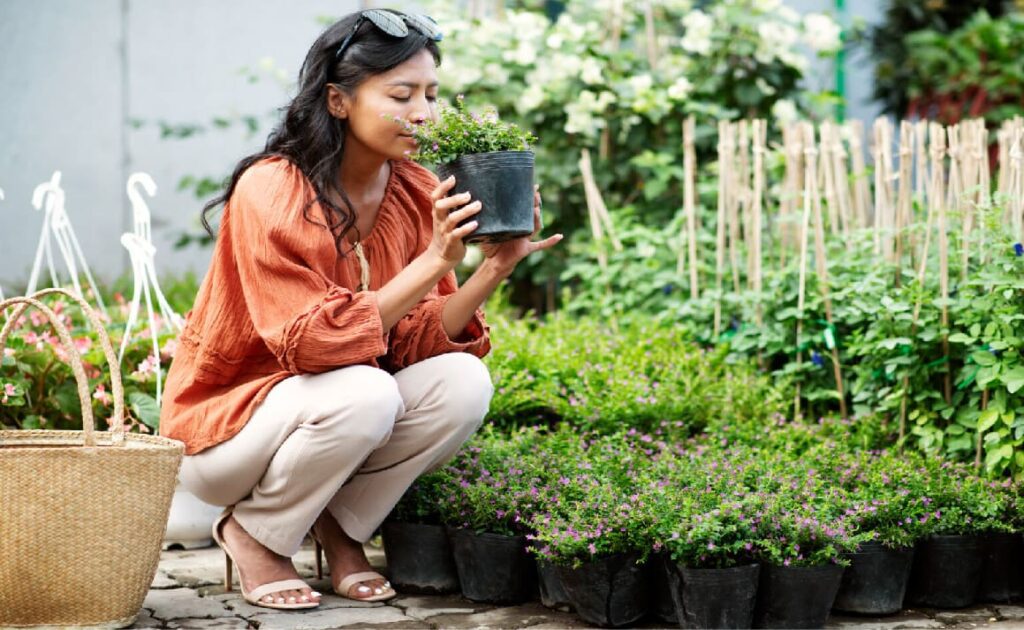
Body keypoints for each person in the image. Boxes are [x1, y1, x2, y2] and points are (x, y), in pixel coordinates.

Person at [158, 8, 561, 611]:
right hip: (229, 432)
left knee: (463, 381)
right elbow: (312, 345)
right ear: (338, 101)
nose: (423, 112)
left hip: (332, 413)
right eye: (401, 94)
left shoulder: (415, 189)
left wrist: (495, 265)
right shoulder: (272, 188)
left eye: (430, 93)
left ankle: (341, 527)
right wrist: (431, 259)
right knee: (366, 390)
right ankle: (253, 533)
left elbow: (419, 340)